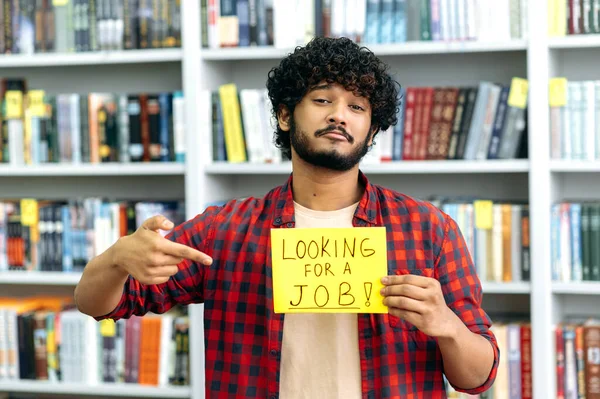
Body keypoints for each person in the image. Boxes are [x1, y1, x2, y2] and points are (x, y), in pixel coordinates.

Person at [75, 36, 499, 398]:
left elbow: (478, 379)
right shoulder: (223, 230)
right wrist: (117, 258)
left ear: (371, 132)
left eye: (357, 107)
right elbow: (98, 304)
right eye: (322, 99)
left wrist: (447, 326)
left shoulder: (428, 229)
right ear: (283, 114)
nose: (338, 114)